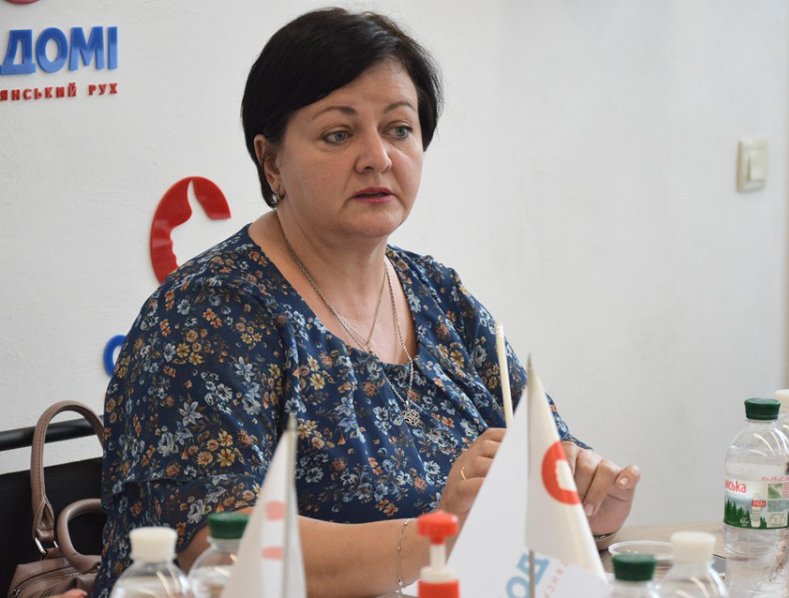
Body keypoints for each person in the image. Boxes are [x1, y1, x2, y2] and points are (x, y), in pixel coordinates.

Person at [93, 8, 641, 597]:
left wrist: (590, 504)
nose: (378, 156)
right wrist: (436, 537)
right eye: (339, 134)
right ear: (272, 161)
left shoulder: (439, 296)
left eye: (399, 129)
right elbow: (215, 544)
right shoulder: (211, 311)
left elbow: (548, 465)